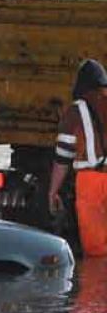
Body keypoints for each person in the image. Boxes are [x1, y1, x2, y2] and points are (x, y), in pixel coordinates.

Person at [48, 59, 107, 256]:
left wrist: (53, 191)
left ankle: (96, 286)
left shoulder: (75, 111)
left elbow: (62, 158)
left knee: (96, 251)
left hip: (90, 182)